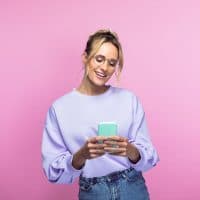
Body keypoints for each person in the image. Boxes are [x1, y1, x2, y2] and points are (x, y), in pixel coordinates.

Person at [41, 29, 159, 200]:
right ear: (85, 57)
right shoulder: (59, 109)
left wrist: (131, 150)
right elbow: (52, 171)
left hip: (132, 187)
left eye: (112, 63)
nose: (104, 68)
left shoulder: (129, 99)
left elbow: (150, 157)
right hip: (93, 192)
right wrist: (81, 155)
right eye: (99, 59)